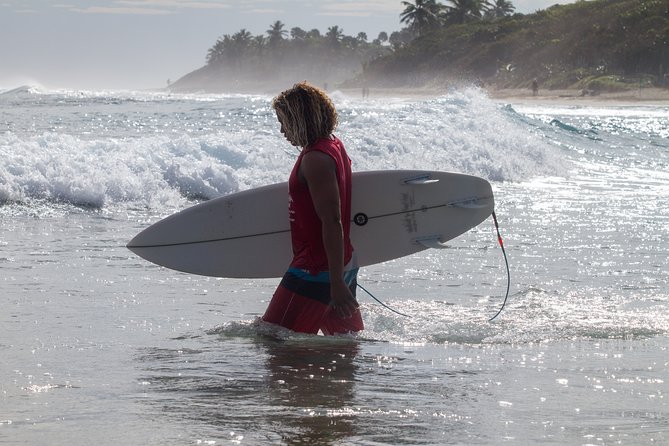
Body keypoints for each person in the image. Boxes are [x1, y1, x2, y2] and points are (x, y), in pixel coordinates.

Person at [262, 82, 363, 335]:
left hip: (317, 269)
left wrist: (336, 283)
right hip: (342, 263)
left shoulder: (315, 159)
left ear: (301, 119)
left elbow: (332, 220)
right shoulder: (333, 145)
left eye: (285, 122)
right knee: (344, 346)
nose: (282, 130)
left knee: (273, 340)